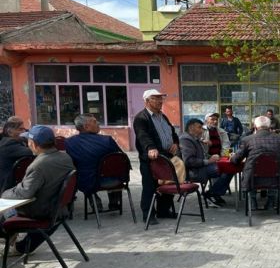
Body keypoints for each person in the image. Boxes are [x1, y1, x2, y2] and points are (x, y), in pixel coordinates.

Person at [1, 125, 74, 254]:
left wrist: (4, 194)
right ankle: (17, 243)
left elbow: (24, 193)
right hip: (59, 208)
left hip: (41, 211)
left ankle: (9, 241)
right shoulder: (65, 157)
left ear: (33, 144)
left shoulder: (38, 165)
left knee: (5, 209)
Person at [133, 89, 180, 226]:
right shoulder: (141, 118)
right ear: (147, 101)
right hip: (151, 158)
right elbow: (143, 135)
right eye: (156, 98)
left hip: (166, 156)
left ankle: (163, 211)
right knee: (149, 186)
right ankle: (148, 214)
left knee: (167, 182)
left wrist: (175, 143)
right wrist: (150, 147)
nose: (160, 101)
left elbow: (172, 132)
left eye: (161, 98)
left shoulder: (162, 116)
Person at [230, 116, 280, 210]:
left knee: (251, 171)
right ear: (269, 126)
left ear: (255, 126)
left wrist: (232, 158)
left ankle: (253, 202)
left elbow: (236, 160)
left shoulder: (247, 140)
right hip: (276, 179)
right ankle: (271, 201)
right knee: (273, 171)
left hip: (253, 178)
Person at [65, 114, 123, 211]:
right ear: (86, 127)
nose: (98, 123)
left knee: (81, 172)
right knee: (115, 167)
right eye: (95, 122)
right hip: (111, 181)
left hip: (84, 182)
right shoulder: (107, 140)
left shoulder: (69, 142)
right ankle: (114, 201)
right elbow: (121, 159)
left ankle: (92, 198)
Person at [179, 118, 232, 207]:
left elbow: (202, 155)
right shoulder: (186, 139)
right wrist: (208, 161)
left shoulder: (194, 138)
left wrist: (211, 157)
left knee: (228, 168)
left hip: (200, 168)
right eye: (199, 128)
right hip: (193, 172)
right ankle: (212, 194)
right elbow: (189, 161)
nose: (201, 131)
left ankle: (213, 193)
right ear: (191, 128)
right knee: (227, 169)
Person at [0, 117, 32, 192]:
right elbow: (34, 151)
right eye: (20, 129)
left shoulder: (13, 139)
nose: (23, 131)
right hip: (7, 185)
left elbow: (23, 139)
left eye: (24, 129)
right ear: (10, 132)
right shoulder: (8, 144)